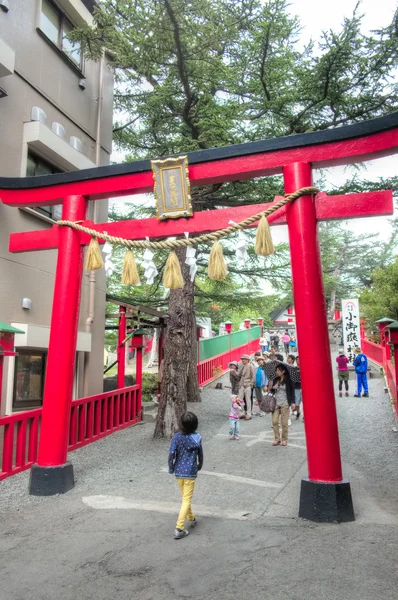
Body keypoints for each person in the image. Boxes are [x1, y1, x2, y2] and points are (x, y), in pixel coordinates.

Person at [168, 412, 203, 540]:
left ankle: (191, 518)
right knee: (186, 499)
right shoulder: (197, 437)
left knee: (185, 497)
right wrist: (199, 465)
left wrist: (171, 467)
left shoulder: (177, 437)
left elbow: (172, 453)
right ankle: (179, 528)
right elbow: (200, 453)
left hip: (178, 471)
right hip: (191, 472)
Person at [269, 363, 296, 446]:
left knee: (284, 423)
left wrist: (293, 402)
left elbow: (292, 392)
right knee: (274, 422)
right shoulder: (275, 379)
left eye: (278, 370)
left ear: (283, 371)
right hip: (276, 403)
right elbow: (272, 391)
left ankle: (284, 439)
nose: (277, 372)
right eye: (276, 370)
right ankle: (277, 439)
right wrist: (273, 388)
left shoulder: (289, 380)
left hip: (285, 403)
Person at [238, 354, 255, 419]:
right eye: (242, 359)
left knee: (248, 400)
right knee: (240, 399)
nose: (243, 360)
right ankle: (242, 412)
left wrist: (251, 384)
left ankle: (249, 414)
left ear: (247, 360)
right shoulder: (242, 366)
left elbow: (253, 376)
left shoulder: (250, 366)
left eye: (244, 359)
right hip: (242, 384)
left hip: (248, 385)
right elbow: (239, 375)